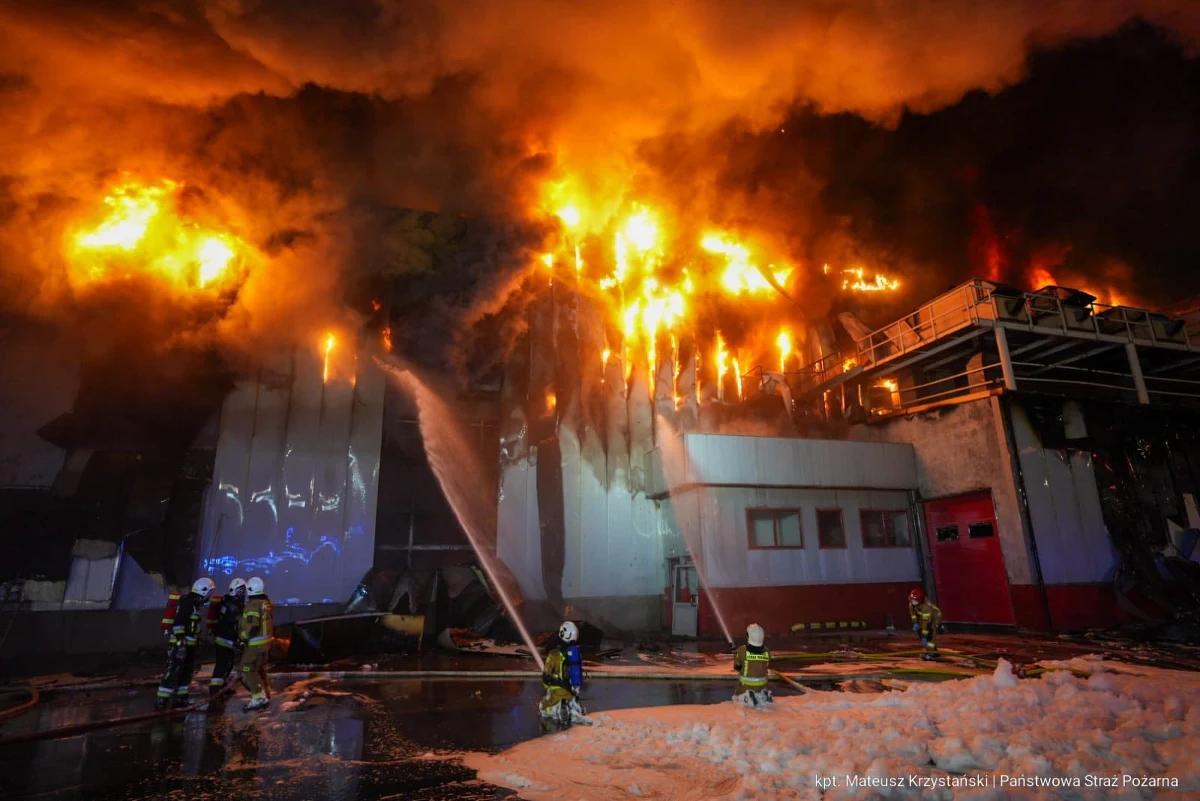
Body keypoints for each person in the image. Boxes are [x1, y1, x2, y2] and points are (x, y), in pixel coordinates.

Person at [156, 577, 215, 710]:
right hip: (180, 645)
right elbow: (179, 623)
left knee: (186, 673)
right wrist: (180, 642)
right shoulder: (187, 603)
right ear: (203, 591)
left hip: (189, 645)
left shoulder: (194, 605)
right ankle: (162, 701)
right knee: (173, 671)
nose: (209, 597)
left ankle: (180, 698)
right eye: (209, 593)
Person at [539, 620, 586, 729]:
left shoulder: (554, 654)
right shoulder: (575, 654)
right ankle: (573, 706)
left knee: (543, 707)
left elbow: (546, 679)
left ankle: (560, 707)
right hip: (572, 692)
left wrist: (554, 682)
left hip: (557, 692)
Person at [239, 576, 274, 711]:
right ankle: (264, 695)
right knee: (258, 669)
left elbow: (253, 625)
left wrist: (243, 637)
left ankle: (259, 698)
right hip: (265, 644)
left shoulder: (253, 605)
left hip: (255, 644)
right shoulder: (266, 603)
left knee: (247, 668)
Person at [208, 577, 247, 697]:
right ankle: (214, 691)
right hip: (224, 640)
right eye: (241, 591)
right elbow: (235, 624)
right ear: (235, 591)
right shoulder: (232, 605)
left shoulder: (231, 602)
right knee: (221, 666)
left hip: (227, 639)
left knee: (228, 664)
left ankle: (223, 686)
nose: (243, 594)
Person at [733, 623, 773, 707]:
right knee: (761, 688)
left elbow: (737, 667)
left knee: (736, 697)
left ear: (748, 636)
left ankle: (748, 696)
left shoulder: (742, 650)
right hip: (763, 685)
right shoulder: (766, 651)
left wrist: (737, 656)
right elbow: (766, 664)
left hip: (745, 686)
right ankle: (764, 694)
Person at [908, 588, 943, 660]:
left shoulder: (927, 607)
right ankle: (931, 650)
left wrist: (924, 635)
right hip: (924, 617)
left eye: (915, 600)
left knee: (930, 635)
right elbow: (913, 614)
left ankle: (932, 654)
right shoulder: (912, 604)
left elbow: (927, 624)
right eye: (912, 599)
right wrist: (915, 622)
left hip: (934, 618)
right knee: (922, 633)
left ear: (920, 600)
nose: (913, 601)